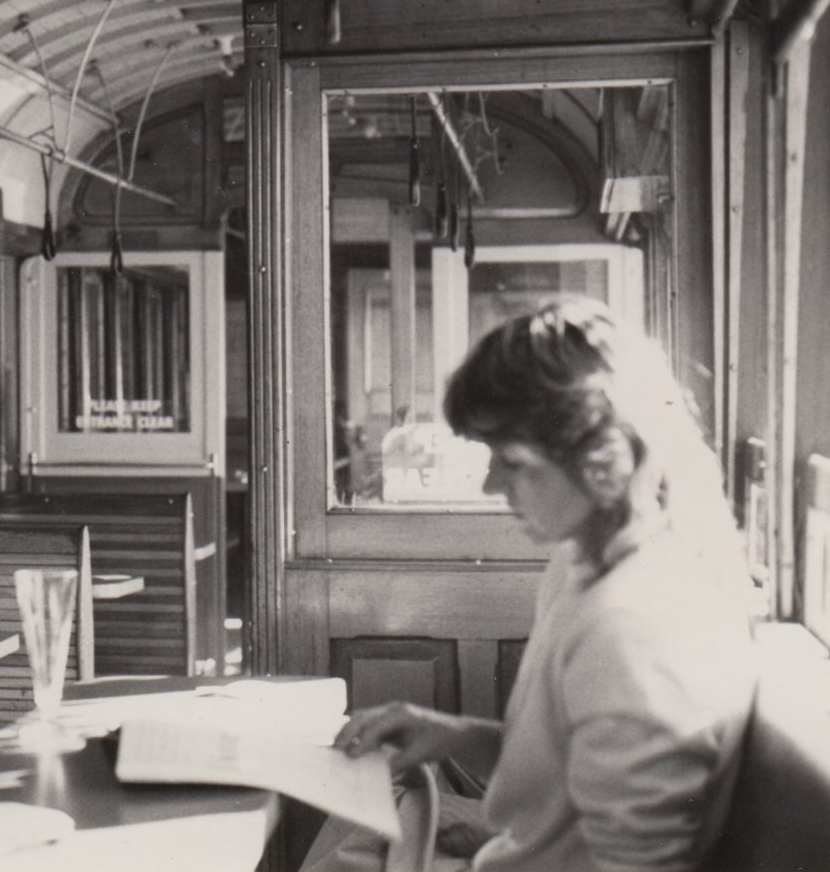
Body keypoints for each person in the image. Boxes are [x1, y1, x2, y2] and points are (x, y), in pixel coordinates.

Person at [304, 297, 757, 872]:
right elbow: (569, 774)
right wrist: (452, 734)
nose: (492, 484)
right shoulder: (584, 563)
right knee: (360, 813)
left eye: (511, 461)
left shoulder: (635, 626)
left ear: (601, 458)